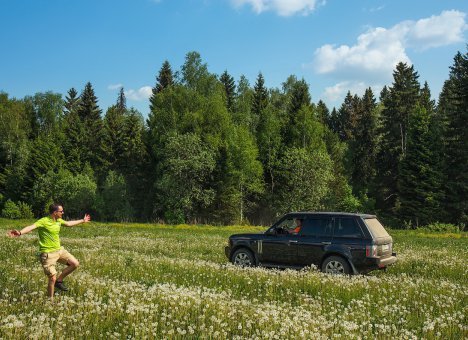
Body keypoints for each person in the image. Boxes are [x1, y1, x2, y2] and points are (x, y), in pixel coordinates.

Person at [7, 203, 91, 300]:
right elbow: (31, 226)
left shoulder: (58, 220)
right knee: (52, 278)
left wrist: (82, 220)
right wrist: (20, 232)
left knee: (75, 263)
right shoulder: (44, 221)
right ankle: (50, 300)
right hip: (48, 254)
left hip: (60, 251)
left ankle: (59, 281)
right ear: (55, 212)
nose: (63, 213)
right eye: (61, 211)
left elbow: (68, 224)